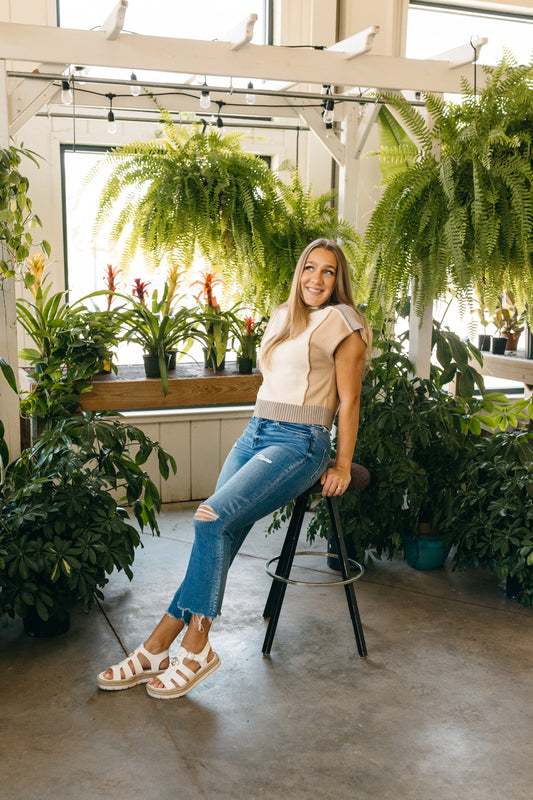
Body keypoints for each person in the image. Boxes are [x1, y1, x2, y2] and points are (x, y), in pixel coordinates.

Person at [97, 238, 371, 700]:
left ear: (338, 280)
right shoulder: (284, 316)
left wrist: (342, 462)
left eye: (328, 271)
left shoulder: (345, 324)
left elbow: (350, 401)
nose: (317, 279)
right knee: (219, 535)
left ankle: (196, 646)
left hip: (301, 442)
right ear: (299, 272)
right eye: (310, 267)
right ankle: (156, 648)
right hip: (256, 432)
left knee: (209, 518)